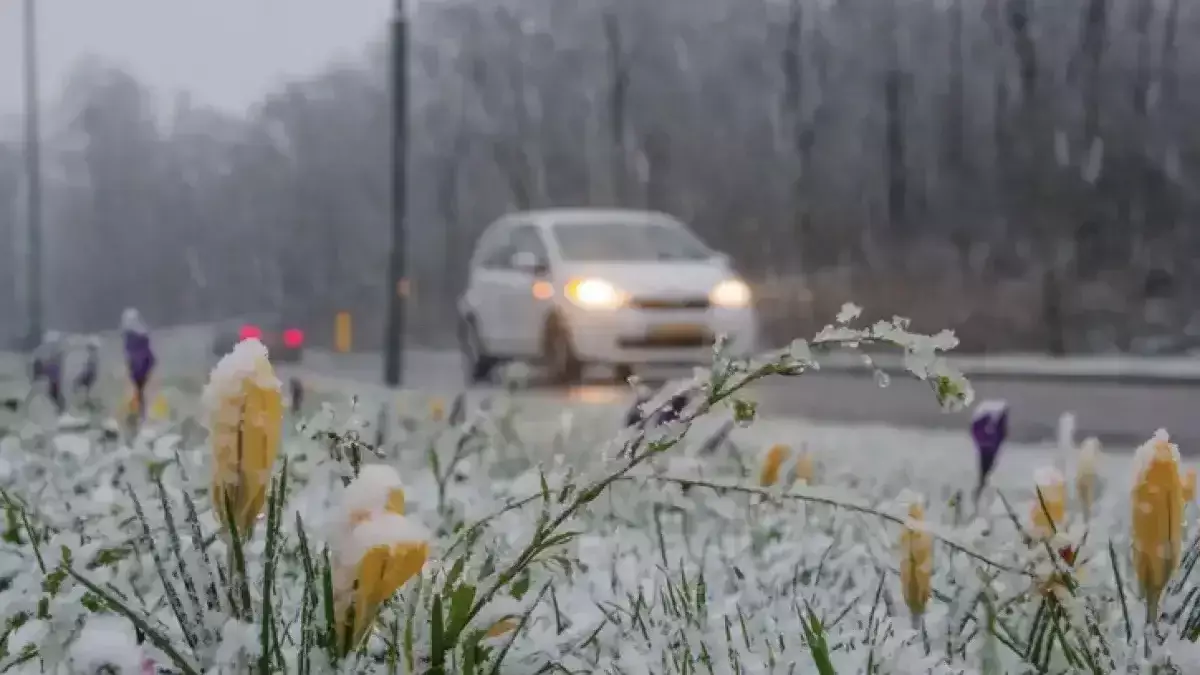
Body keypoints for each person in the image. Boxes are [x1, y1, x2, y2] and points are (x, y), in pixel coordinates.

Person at [121, 309, 156, 420]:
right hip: (142, 365)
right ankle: (140, 414)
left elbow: (131, 353)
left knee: (138, 391)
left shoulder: (132, 336)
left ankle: (140, 415)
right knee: (139, 392)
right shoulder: (140, 334)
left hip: (140, 366)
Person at [30, 331, 65, 414]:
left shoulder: (52, 365)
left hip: (53, 384)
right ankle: (57, 410)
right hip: (53, 383)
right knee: (53, 396)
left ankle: (57, 410)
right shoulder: (53, 365)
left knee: (53, 396)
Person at [74, 336, 102, 407]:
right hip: (89, 375)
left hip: (90, 375)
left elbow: (91, 368)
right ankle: (86, 400)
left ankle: (87, 400)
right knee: (87, 389)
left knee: (87, 389)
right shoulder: (91, 357)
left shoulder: (92, 357)